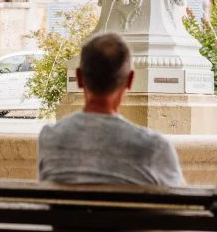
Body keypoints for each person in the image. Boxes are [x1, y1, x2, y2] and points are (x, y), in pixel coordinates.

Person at [38, 33, 183, 186]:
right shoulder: (154, 147)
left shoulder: (50, 137)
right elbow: (180, 197)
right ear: (130, 80)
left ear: (79, 78)